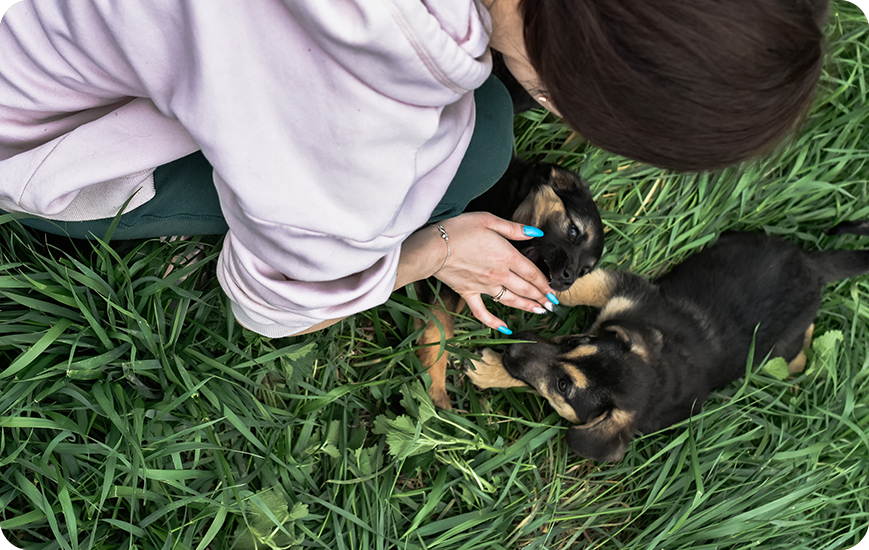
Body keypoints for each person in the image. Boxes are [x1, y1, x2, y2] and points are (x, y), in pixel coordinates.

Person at [0, 0, 827, 338]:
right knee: (481, 145)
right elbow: (274, 303)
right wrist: (435, 250)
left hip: (91, 30)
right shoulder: (355, 116)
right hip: (51, 142)